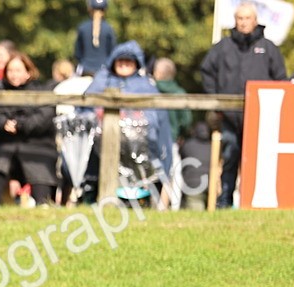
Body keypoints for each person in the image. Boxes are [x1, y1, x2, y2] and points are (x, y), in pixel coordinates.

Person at [200, 2, 286, 208]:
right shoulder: (223, 48)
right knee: (229, 158)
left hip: (260, 119)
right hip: (229, 117)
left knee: (259, 161)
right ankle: (224, 202)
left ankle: (257, 203)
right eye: (240, 18)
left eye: (247, 18)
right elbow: (206, 72)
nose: (244, 23)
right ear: (235, 21)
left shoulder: (268, 49)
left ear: (255, 21)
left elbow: (281, 80)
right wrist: (216, 102)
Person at [85, 41, 172, 192]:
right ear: (113, 62)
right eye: (121, 60)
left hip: (139, 150)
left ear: (136, 63)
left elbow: (158, 120)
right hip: (101, 147)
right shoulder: (101, 80)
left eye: (128, 61)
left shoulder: (146, 86)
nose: (124, 64)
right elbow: (85, 109)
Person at [0, 51, 58, 206]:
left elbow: (44, 116)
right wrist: (3, 123)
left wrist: (21, 124)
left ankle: (43, 202)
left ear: (28, 73)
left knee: (39, 168)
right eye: (10, 71)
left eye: (18, 70)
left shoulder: (41, 91)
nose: (13, 75)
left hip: (37, 144)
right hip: (6, 143)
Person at [151, 57, 191, 141]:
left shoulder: (150, 90)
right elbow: (186, 121)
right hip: (173, 140)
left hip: (152, 140)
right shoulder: (180, 93)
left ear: (157, 73)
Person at [73, 0, 115, 77]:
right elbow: (112, 52)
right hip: (104, 70)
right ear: (105, 10)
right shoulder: (109, 29)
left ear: (89, 9)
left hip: (85, 70)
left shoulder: (82, 28)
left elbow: (78, 53)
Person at [178, 120, 212, 211]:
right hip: (210, 184)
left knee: (196, 211)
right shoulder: (212, 147)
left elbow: (181, 159)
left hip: (193, 186)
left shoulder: (188, 145)